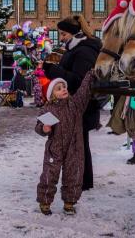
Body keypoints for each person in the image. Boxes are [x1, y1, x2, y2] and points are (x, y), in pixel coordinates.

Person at [43, 14, 102, 191]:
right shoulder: (76, 49)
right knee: (78, 144)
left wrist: (52, 70)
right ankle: (83, 180)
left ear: (75, 33)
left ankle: (82, 181)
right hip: (77, 106)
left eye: (63, 34)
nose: (61, 38)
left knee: (78, 144)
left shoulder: (84, 50)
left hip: (82, 106)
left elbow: (78, 81)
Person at [36, 71, 95, 215]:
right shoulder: (48, 109)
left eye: (64, 86)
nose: (63, 89)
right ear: (51, 95)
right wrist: (44, 128)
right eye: (59, 88)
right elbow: (38, 127)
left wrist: (90, 75)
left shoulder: (75, 105)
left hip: (74, 147)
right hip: (54, 149)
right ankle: (45, 202)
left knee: (73, 174)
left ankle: (69, 203)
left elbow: (83, 91)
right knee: (49, 175)